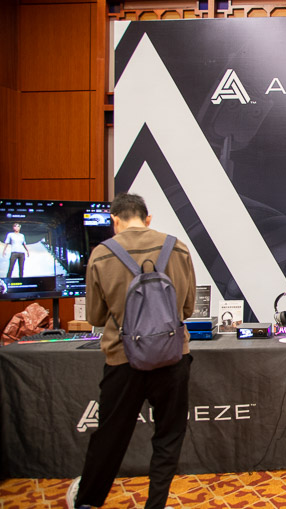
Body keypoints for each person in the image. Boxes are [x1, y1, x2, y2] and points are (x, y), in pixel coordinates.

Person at [67, 193, 196, 509]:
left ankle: (88, 502)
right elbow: (187, 309)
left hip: (123, 360)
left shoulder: (101, 254)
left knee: (110, 437)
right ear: (147, 218)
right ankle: (156, 504)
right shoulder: (177, 248)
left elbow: (96, 317)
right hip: (172, 357)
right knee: (168, 436)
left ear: (115, 220)